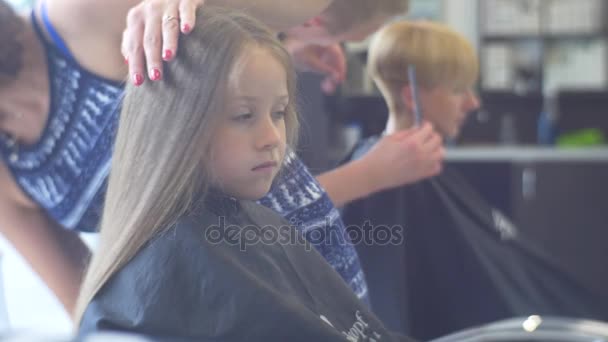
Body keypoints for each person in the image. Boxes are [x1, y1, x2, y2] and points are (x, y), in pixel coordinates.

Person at [0, 0, 441, 315]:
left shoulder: (81, 15)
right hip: (197, 309)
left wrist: (205, 10)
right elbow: (87, 299)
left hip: (299, 261)